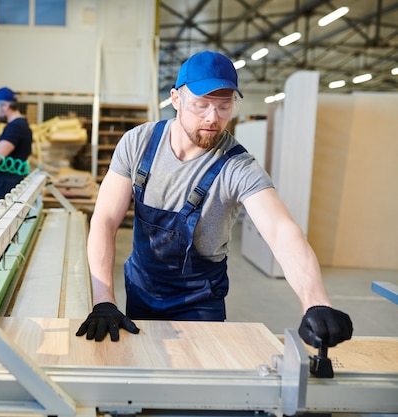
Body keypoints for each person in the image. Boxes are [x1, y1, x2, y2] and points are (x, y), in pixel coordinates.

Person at [76, 50, 353, 348]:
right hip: (141, 287)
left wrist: (316, 302)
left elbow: (281, 230)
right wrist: (103, 301)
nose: (213, 118)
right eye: (202, 105)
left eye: (224, 106)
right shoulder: (138, 143)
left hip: (199, 300)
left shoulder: (237, 166)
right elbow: (104, 220)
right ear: (176, 99)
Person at [0, 87, 33, 215]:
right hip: (8, 183)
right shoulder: (20, 125)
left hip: (6, 185)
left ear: (5, 106)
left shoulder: (15, 127)